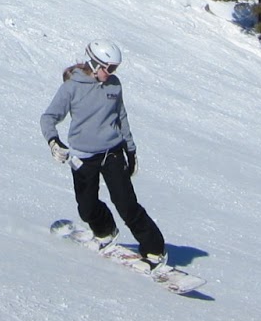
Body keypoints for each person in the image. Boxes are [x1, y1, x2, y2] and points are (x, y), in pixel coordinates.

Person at [40, 39, 167, 269]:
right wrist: (53, 142)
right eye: (109, 68)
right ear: (95, 64)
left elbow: (122, 117)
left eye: (114, 69)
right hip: (82, 156)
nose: (112, 73)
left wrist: (131, 149)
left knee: (126, 204)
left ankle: (154, 249)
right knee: (86, 207)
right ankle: (105, 231)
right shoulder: (72, 88)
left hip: (113, 152)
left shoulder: (114, 86)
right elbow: (48, 117)